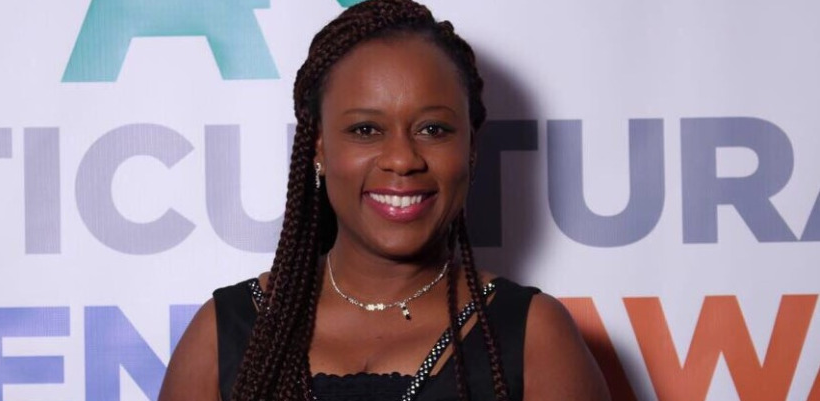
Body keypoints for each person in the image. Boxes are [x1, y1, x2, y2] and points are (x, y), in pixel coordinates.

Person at [159, 0, 610, 400]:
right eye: (366, 130)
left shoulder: (534, 338)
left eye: (433, 129)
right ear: (318, 147)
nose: (402, 159)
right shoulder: (226, 332)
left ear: (471, 148)